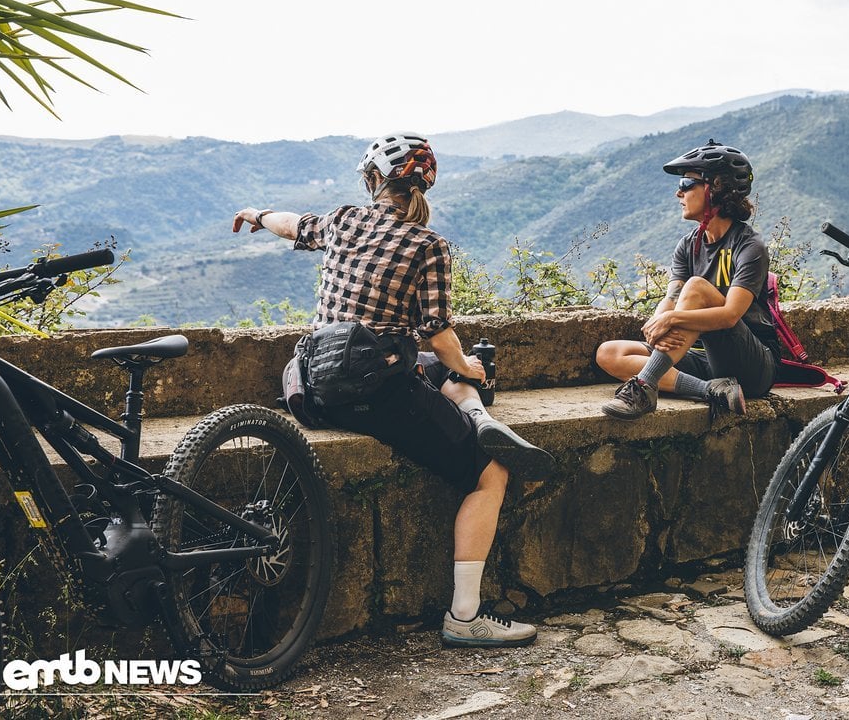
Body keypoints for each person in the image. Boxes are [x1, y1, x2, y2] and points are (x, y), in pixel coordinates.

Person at [232, 132, 554, 648]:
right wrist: (469, 364)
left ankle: (476, 416)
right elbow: (437, 331)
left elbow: (292, 223)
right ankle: (465, 616)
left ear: (374, 179)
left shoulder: (343, 220)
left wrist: (256, 212)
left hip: (312, 386)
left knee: (432, 369)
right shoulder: (430, 246)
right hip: (376, 396)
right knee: (490, 470)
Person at [596, 139, 779, 420]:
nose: (677, 193)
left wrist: (670, 321)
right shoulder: (687, 245)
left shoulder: (749, 246)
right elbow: (670, 300)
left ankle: (644, 388)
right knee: (609, 353)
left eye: (685, 183)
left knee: (697, 288)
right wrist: (657, 326)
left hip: (752, 363)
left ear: (714, 187)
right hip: (702, 355)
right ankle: (710, 390)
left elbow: (730, 315)